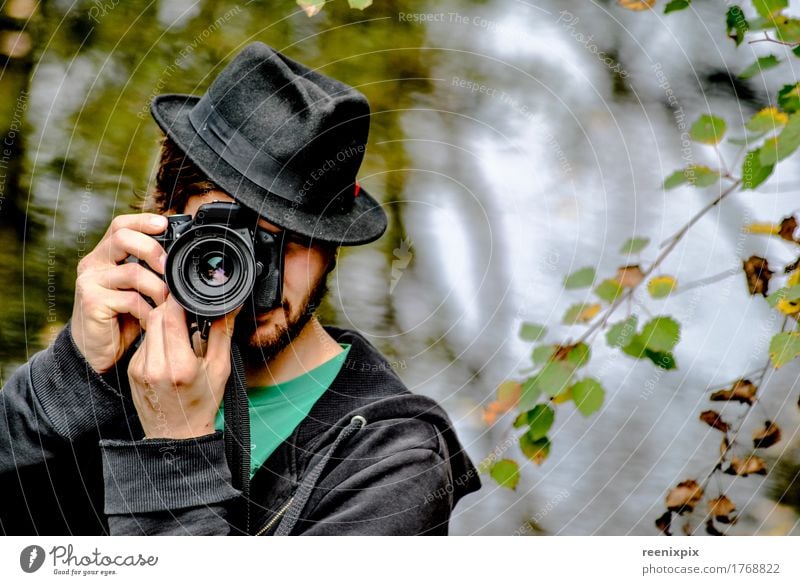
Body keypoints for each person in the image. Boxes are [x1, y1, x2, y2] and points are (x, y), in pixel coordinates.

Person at [0, 42, 481, 535]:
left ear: (331, 251)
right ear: (163, 218)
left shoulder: (392, 460)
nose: (253, 273)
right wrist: (70, 376)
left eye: (290, 243)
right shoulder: (114, 369)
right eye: (231, 238)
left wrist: (176, 448)